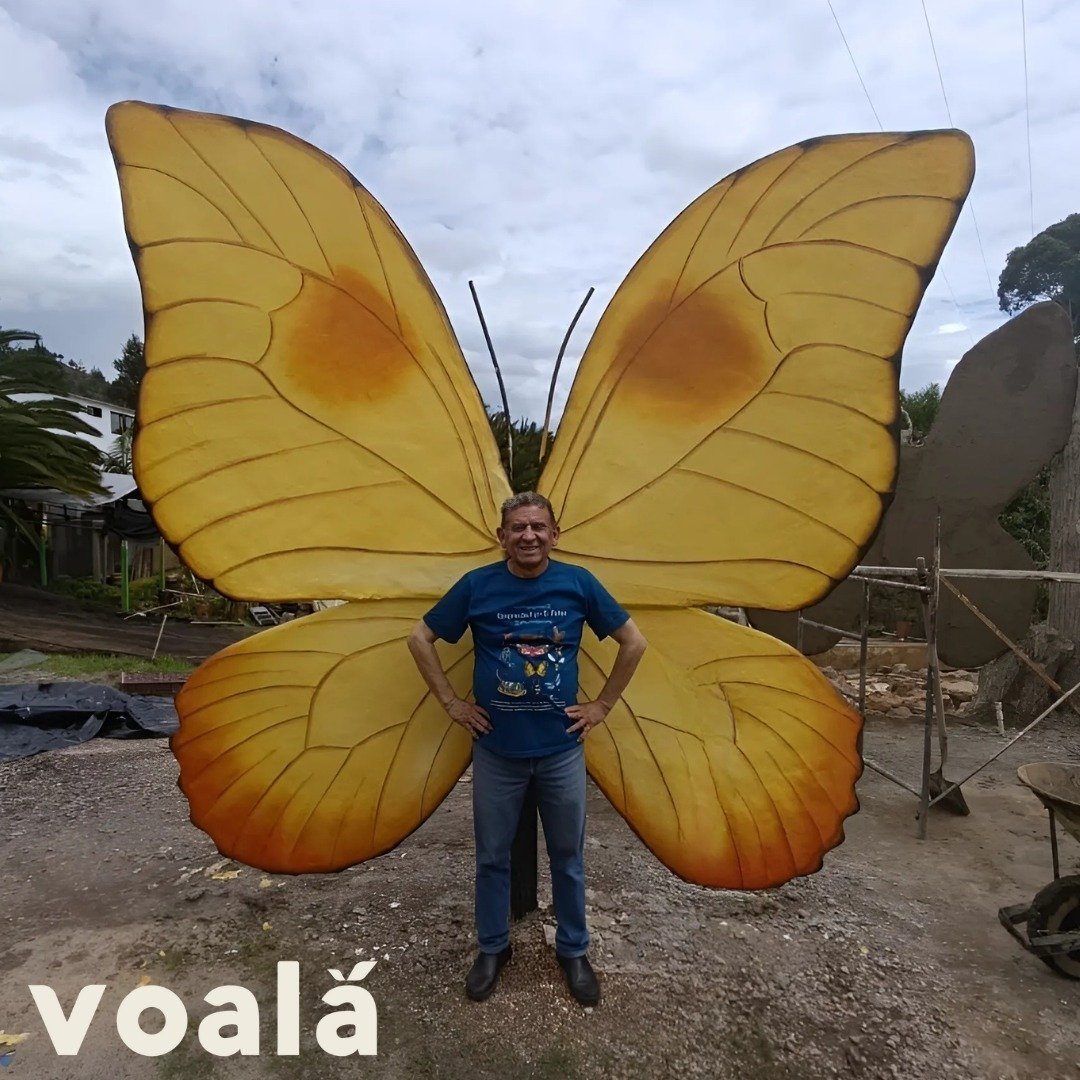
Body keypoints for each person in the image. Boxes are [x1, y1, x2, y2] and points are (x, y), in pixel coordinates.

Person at [407, 491, 647, 1006]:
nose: (529, 535)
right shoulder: (477, 586)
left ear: (554, 535)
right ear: (502, 537)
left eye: (538, 526)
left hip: (561, 751)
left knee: (568, 857)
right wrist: (451, 703)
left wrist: (602, 705)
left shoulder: (578, 583)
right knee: (492, 857)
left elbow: (634, 642)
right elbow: (419, 638)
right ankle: (493, 947)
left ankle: (573, 950)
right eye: (518, 527)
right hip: (497, 752)